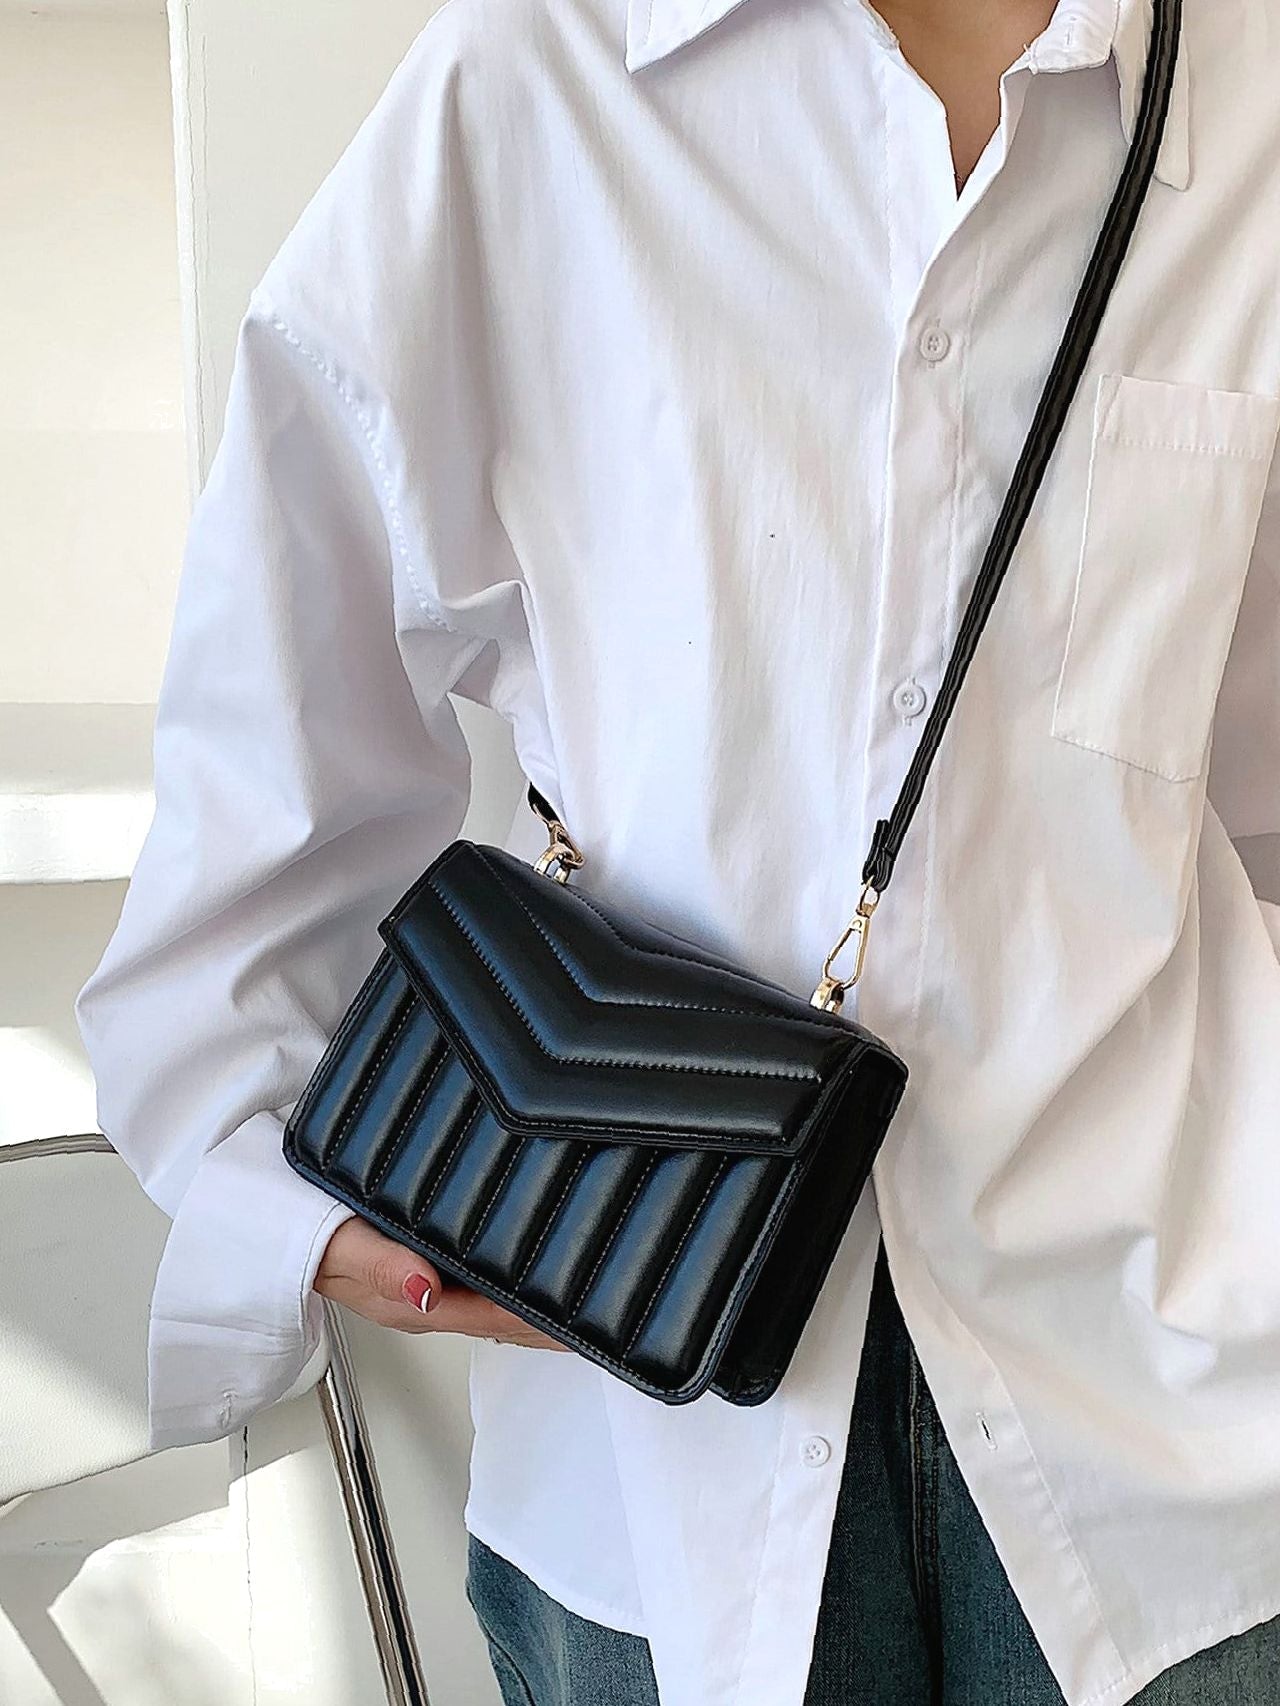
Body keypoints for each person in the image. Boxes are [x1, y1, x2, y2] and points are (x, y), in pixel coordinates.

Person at [74, 0, 1280, 1700]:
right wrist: (256, 1170)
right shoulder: (536, 75)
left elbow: (1244, 803)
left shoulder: (1247, 96)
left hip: (1178, 1434)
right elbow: (280, 692)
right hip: (648, 1431)